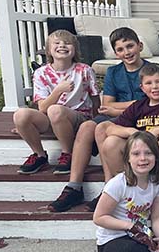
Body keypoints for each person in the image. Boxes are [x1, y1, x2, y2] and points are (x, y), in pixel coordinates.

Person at [50, 27, 147, 212]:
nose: (127, 52)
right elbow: (107, 104)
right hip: (116, 116)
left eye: (130, 46)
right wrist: (124, 106)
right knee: (87, 126)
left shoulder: (150, 71)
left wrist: (117, 107)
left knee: (102, 127)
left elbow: (149, 103)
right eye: (120, 49)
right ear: (116, 53)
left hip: (140, 119)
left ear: (139, 46)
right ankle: (74, 186)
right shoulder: (114, 72)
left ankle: (108, 188)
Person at [101, 63, 159, 211]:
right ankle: (129, 187)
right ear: (142, 88)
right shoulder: (138, 106)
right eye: (149, 83)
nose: (154, 87)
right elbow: (111, 129)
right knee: (110, 142)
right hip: (142, 157)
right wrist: (132, 132)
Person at [13, 29, 99, 175]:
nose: (62, 45)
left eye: (67, 43)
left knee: (55, 110)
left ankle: (68, 153)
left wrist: (95, 123)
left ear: (75, 49)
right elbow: (42, 108)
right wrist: (59, 90)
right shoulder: (41, 73)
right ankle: (39, 155)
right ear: (48, 50)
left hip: (78, 118)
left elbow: (96, 100)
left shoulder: (85, 70)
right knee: (20, 115)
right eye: (57, 43)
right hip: (50, 117)